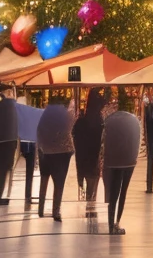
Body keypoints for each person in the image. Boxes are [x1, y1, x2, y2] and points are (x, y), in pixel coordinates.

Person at [102, 89, 141, 234]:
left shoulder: (110, 119)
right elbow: (138, 142)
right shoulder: (134, 120)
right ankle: (116, 223)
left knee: (112, 193)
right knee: (123, 191)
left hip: (112, 160)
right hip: (129, 160)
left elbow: (103, 140)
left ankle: (110, 223)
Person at [36, 97, 73, 219]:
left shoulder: (45, 116)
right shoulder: (65, 115)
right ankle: (56, 211)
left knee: (44, 180)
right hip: (62, 154)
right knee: (59, 184)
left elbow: (39, 133)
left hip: (45, 153)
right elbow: (69, 130)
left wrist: (41, 149)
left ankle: (40, 208)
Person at [73, 87, 106, 216]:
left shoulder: (81, 121)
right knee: (93, 183)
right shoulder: (99, 120)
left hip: (83, 158)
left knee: (89, 182)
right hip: (94, 157)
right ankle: (90, 208)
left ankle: (90, 207)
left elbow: (75, 138)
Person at [15, 92, 43, 207]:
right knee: (29, 170)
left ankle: (28, 194)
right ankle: (28, 194)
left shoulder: (18, 111)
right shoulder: (30, 112)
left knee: (29, 170)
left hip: (22, 143)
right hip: (31, 143)